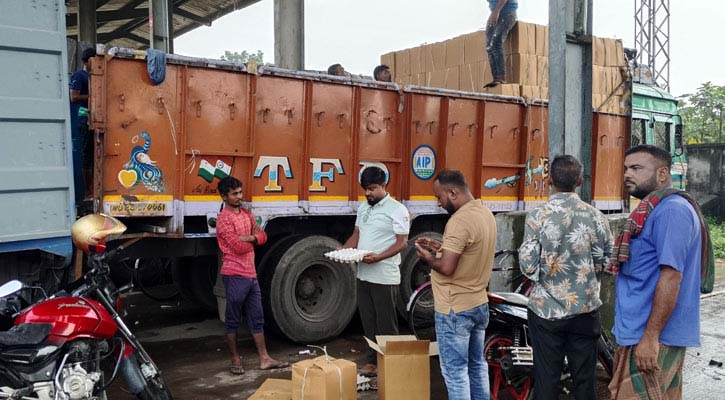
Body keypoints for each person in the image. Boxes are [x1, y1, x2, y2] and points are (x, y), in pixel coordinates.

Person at [608, 144, 715, 399]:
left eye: (637, 168)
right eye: (625, 168)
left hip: (653, 337)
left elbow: (672, 276)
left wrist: (651, 338)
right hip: (639, 332)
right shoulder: (653, 210)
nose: (627, 175)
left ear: (662, 174)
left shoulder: (672, 211)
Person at [518, 155, 613, 400]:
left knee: (546, 379)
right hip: (585, 309)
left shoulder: (538, 216)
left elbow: (528, 266)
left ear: (549, 180)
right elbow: (606, 262)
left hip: (546, 311)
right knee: (585, 380)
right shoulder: (597, 217)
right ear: (580, 180)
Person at [415, 169, 497, 400]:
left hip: (455, 308)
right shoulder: (484, 213)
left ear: (453, 192)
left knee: (455, 372)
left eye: (439, 197)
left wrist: (427, 257)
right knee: (477, 365)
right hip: (478, 303)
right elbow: (469, 251)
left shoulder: (459, 220)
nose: (438, 203)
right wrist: (440, 247)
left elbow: (447, 268)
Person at [215, 176, 288, 375]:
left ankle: (264, 358)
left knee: (257, 317)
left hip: (250, 274)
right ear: (224, 196)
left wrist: (250, 237)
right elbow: (237, 247)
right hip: (234, 273)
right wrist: (255, 238)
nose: (240, 196)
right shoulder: (223, 219)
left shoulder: (246, 213)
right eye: (234, 194)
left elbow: (263, 237)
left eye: (240, 192)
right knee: (233, 319)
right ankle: (235, 359)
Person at [342, 166, 409, 376]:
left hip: (384, 275)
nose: (368, 193)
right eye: (365, 189)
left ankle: (392, 365)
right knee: (368, 321)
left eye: (372, 188)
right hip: (363, 273)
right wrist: (343, 251)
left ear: (383, 186)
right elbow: (357, 234)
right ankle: (372, 360)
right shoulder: (364, 208)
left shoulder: (397, 209)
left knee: (386, 323)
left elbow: (402, 243)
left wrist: (378, 257)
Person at [69, 47, 96, 201]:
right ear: (88, 61)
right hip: (83, 117)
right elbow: (74, 97)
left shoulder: (96, 76)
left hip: (94, 117)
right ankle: (88, 192)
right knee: (87, 155)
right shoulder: (79, 75)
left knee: (93, 155)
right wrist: (93, 95)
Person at [484, 0, 518, 88]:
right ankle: (496, 78)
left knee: (496, 43)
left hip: (507, 14)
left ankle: (500, 77)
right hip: (496, 13)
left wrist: (496, 12)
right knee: (489, 46)